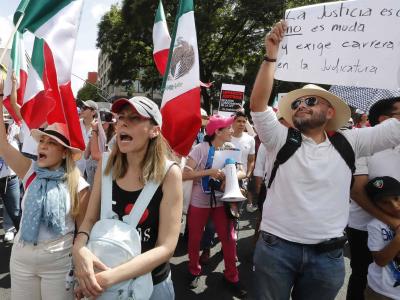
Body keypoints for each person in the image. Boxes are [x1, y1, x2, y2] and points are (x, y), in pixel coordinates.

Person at [250, 20, 400, 300]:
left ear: (330, 113)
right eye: (297, 103)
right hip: (275, 250)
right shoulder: (279, 138)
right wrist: (271, 55)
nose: (302, 105)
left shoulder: (351, 141)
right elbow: (258, 106)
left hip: (327, 257)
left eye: (311, 101)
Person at [72, 96, 182, 299]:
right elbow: (88, 220)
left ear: (154, 130)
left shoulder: (169, 173)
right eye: (121, 117)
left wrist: (107, 279)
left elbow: (166, 247)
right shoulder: (105, 166)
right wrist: (79, 250)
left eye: (134, 118)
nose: (122, 122)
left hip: (151, 286)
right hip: (101, 284)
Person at [182, 114, 247, 298]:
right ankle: (194, 270)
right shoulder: (200, 149)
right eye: (228, 128)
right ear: (217, 131)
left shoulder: (231, 148)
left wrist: (231, 176)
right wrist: (209, 172)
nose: (232, 130)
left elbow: (242, 171)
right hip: (199, 201)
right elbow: (184, 174)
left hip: (222, 201)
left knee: (229, 238)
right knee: (194, 238)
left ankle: (232, 276)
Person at [347, 97, 400, 300]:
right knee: (362, 276)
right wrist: (393, 222)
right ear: (385, 119)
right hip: (362, 227)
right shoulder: (361, 142)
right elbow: (357, 191)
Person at [364, 176, 400, 300]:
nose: (395, 206)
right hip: (382, 292)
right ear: (376, 206)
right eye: (385, 202)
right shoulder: (376, 225)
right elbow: (380, 260)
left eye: (396, 198)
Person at [0, 113, 21, 243]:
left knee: (15, 211)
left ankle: (14, 232)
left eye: (5, 126)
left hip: (10, 180)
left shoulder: (12, 142)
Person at [231, 111, 257, 213]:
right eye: (238, 121)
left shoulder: (250, 139)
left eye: (244, 121)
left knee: (237, 211)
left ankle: (233, 228)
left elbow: (251, 160)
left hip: (242, 180)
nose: (241, 124)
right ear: (232, 122)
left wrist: (248, 175)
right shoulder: (225, 137)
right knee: (225, 211)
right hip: (224, 179)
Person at [84, 109, 115, 187]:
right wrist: (93, 137)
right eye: (100, 123)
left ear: (109, 124)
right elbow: (86, 155)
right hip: (91, 174)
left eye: (103, 123)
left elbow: (97, 156)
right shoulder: (94, 134)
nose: (101, 125)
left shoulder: (114, 138)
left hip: (105, 176)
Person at [77, 100, 98, 176]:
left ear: (93, 112)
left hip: (92, 169)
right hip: (76, 166)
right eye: (82, 107)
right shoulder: (76, 124)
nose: (82, 110)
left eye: (85, 108)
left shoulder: (99, 127)